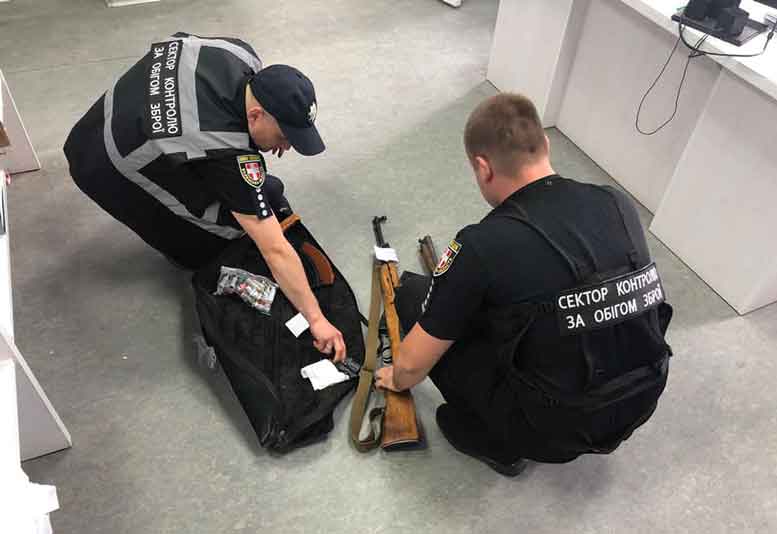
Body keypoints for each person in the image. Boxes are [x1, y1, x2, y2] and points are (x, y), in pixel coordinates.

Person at [375, 93, 673, 476]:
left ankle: (499, 444)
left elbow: (412, 364)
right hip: (642, 395)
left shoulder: (481, 245)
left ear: (483, 167)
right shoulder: (616, 202)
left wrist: (396, 377)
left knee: (413, 296)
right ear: (545, 144)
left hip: (551, 430)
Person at [64, 33, 345, 360]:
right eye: (285, 136)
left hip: (104, 120)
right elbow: (274, 249)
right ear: (256, 115)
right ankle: (183, 243)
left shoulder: (239, 54)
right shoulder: (222, 147)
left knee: (265, 190)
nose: (287, 147)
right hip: (102, 165)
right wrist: (316, 319)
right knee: (207, 248)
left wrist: (268, 143)